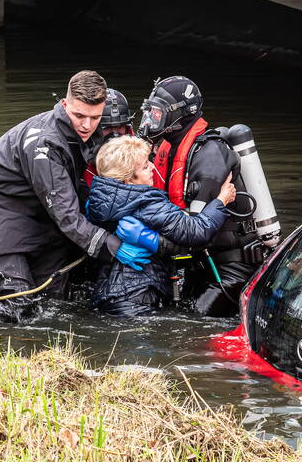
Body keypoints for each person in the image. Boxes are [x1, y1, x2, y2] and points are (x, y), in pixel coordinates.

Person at [0, 71, 151, 322]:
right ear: (65, 105)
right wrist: (114, 247)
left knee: (52, 307)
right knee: (17, 309)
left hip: (40, 220)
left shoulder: (91, 133)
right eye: (78, 115)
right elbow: (68, 216)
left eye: (94, 118)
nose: (86, 125)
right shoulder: (45, 145)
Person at [136, 75, 261, 316]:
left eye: (158, 114)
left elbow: (196, 233)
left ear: (181, 114)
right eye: (150, 112)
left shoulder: (209, 156)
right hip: (199, 264)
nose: (151, 120)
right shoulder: (168, 148)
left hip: (230, 270)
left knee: (192, 324)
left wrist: (145, 240)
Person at [85, 136, 235, 315]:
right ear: (128, 180)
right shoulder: (147, 202)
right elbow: (196, 232)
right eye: (144, 166)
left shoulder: (98, 200)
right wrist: (220, 201)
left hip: (107, 291)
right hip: (138, 296)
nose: (152, 167)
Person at [83, 87, 133, 187]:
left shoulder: (140, 157)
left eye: (119, 127)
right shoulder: (79, 161)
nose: (114, 134)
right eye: (107, 128)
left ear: (127, 128)